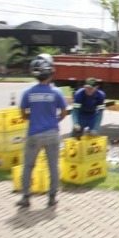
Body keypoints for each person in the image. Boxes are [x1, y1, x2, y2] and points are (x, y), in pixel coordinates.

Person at [17, 54, 68, 208]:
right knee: (53, 166)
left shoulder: (28, 93)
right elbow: (64, 112)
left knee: (28, 166)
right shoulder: (56, 92)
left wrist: (31, 119)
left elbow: (23, 112)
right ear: (50, 73)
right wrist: (55, 121)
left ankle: (26, 198)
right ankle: (52, 198)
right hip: (52, 134)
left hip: (34, 134)